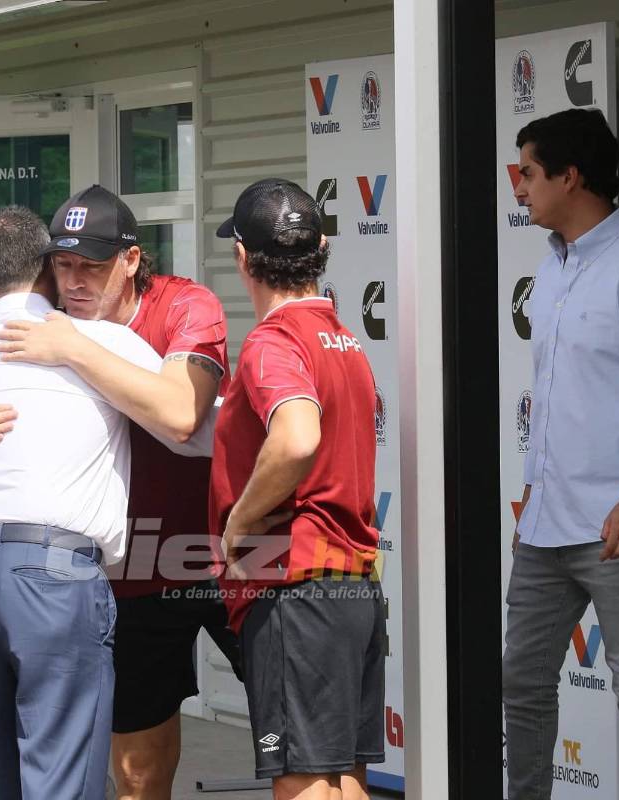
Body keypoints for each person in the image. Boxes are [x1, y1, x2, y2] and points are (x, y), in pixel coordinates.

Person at [0, 185, 240, 798]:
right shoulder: (38, 334)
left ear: (130, 260)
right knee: (134, 772)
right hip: (129, 575)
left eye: (92, 266)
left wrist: (73, 347)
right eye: (63, 265)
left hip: (224, 555)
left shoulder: (182, 305)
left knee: (296, 748)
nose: (75, 281)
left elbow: (183, 412)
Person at [502, 108, 619, 800]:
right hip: (546, 526)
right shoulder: (551, 270)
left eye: (527, 173)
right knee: (521, 684)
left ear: (570, 176)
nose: (518, 188)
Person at [208, 179, 384, 800]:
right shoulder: (346, 341)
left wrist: (240, 522)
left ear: (241, 258)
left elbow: (297, 436)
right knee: (344, 776)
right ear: (323, 249)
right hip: (353, 584)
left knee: (304, 781)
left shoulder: (273, 342)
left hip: (296, 586)